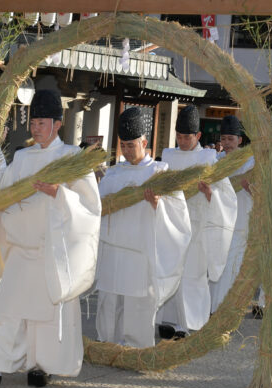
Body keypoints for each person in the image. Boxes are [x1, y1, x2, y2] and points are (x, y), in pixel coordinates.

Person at [0, 89, 101, 387]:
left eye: (42, 123)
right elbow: (1, 188)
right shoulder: (22, 158)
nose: (36, 128)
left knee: (46, 316)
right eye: (33, 123)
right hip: (21, 251)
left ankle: (42, 366)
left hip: (52, 251)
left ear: (57, 124)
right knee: (8, 309)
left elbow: (90, 206)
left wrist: (59, 193)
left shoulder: (72, 158)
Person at [95, 107, 191, 348]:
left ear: (144, 142)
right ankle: (107, 342)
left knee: (137, 298)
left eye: (131, 145)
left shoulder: (159, 173)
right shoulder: (113, 173)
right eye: (123, 145)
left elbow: (178, 212)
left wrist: (158, 203)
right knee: (109, 296)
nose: (126, 151)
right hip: (112, 248)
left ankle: (136, 346)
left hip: (140, 249)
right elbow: (97, 206)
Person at [157, 106, 236, 337]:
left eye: (187, 137)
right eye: (179, 136)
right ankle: (169, 321)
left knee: (192, 273)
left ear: (198, 136)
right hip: (172, 222)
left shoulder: (208, 158)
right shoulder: (168, 156)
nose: (182, 141)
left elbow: (227, 196)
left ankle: (191, 323)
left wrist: (210, 193)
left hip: (198, 223)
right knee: (171, 268)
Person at [209, 114, 253, 311]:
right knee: (215, 263)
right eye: (223, 139)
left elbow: (262, 192)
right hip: (218, 221)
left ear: (240, 140)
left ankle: (224, 310)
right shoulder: (216, 161)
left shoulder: (251, 163)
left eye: (231, 139)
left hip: (241, 221)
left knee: (232, 267)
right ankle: (210, 308)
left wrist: (249, 187)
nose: (226, 143)